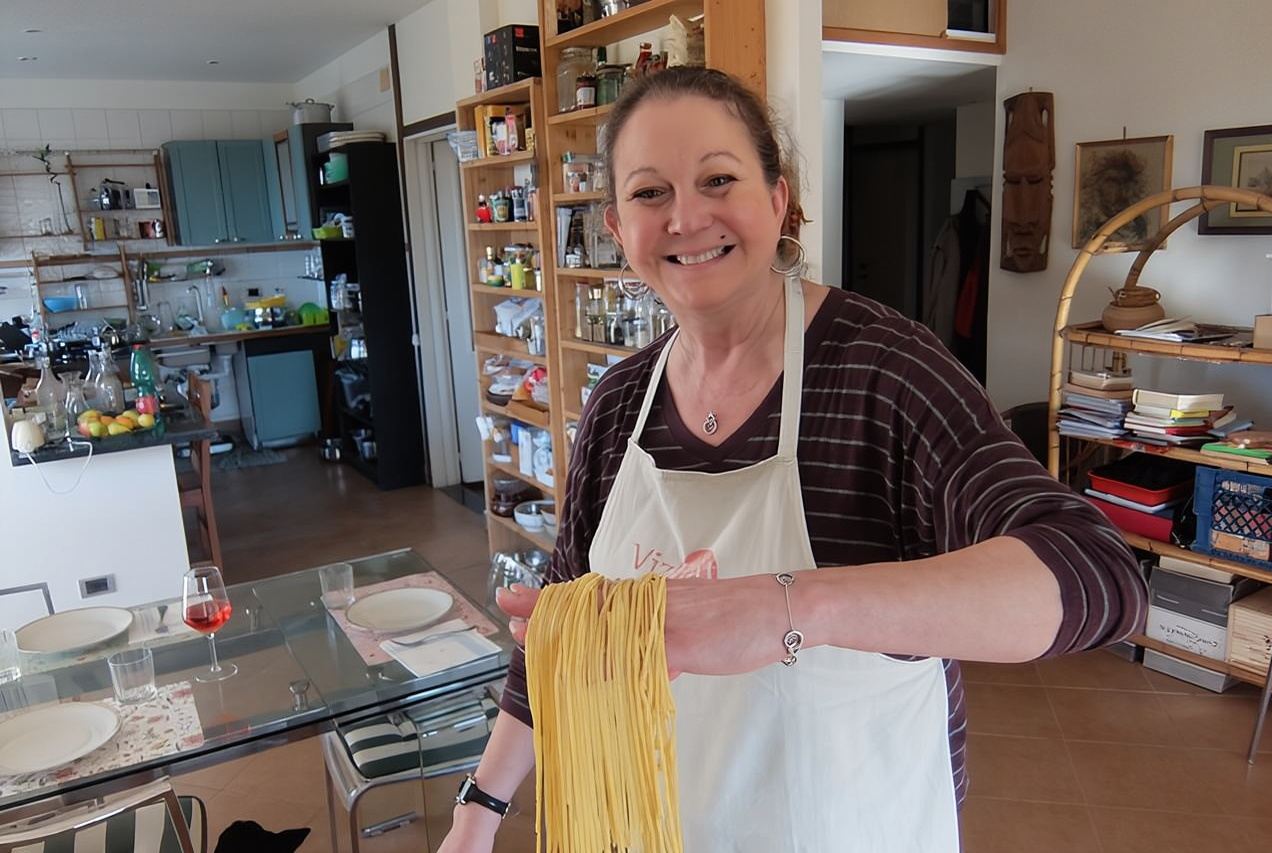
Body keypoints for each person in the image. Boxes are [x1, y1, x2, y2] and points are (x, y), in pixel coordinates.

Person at [441, 67, 1146, 852]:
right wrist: (478, 813)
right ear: (615, 228)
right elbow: (560, 629)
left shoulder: (886, 373)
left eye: (718, 178)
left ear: (777, 201)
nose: (686, 217)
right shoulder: (619, 404)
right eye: (649, 193)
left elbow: (1096, 574)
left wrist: (783, 609)